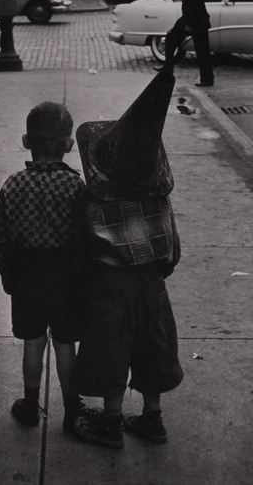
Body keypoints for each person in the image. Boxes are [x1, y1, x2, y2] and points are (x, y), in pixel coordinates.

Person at [72, 70, 184, 449]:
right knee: (153, 346)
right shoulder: (159, 198)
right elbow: (173, 250)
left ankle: (111, 422)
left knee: (110, 350)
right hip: (152, 282)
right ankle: (152, 418)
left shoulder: (94, 201)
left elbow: (85, 248)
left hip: (110, 286)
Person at [0, 102, 90, 433]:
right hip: (66, 278)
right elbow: (86, 237)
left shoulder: (12, 185)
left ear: (25, 141)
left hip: (27, 277)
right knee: (65, 344)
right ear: (68, 145)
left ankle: (31, 404)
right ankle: (73, 409)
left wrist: (9, 276)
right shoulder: (77, 187)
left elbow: (0, 238)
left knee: (33, 343)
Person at [157, 0, 214, 87]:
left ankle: (207, 79)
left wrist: (188, 25)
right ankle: (168, 69)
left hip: (196, 21)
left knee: (202, 52)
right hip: (192, 19)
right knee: (172, 38)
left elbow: (195, 6)